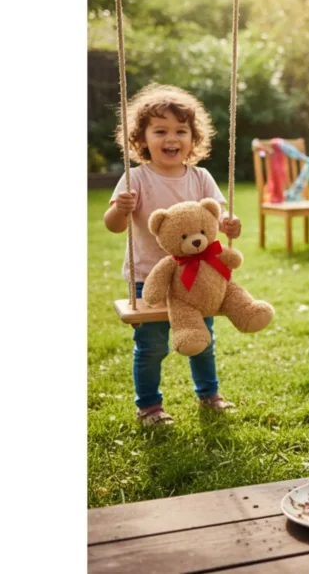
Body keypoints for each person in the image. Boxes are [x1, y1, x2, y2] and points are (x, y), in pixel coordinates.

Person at [104, 84, 241, 426]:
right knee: (152, 346)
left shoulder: (201, 177)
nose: (172, 138)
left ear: (193, 139)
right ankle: (149, 406)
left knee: (203, 340)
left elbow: (217, 220)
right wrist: (121, 209)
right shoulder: (135, 178)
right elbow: (113, 226)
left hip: (198, 280)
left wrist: (230, 226)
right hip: (147, 278)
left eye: (181, 130)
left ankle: (209, 394)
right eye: (160, 130)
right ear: (142, 139)